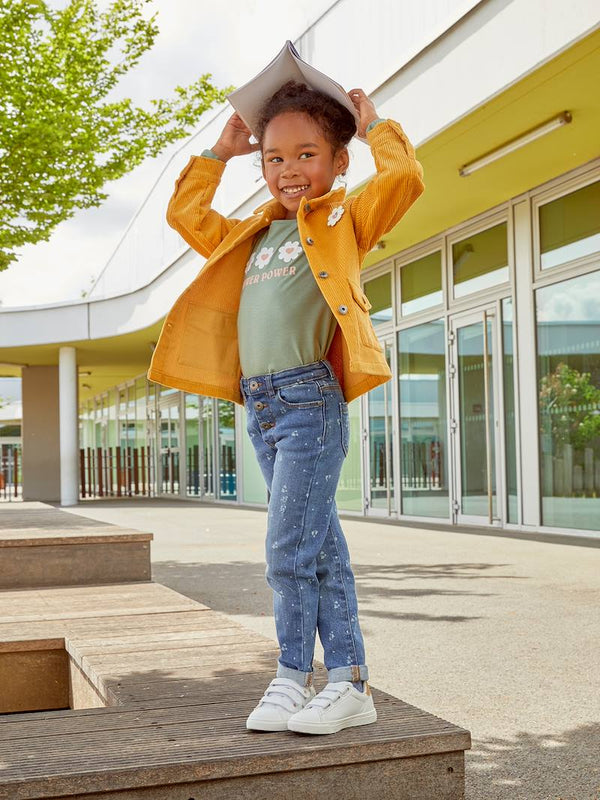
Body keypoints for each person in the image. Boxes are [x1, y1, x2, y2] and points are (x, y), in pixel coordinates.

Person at [149, 80, 425, 735]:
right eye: (274, 158)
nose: (290, 170)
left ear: (338, 162)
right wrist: (220, 150)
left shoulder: (342, 221)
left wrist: (375, 123)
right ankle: (350, 682)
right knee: (319, 549)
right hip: (264, 409)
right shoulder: (250, 236)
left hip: (310, 404)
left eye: (306, 155)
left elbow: (406, 177)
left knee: (287, 553)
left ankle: (291, 676)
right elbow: (187, 216)